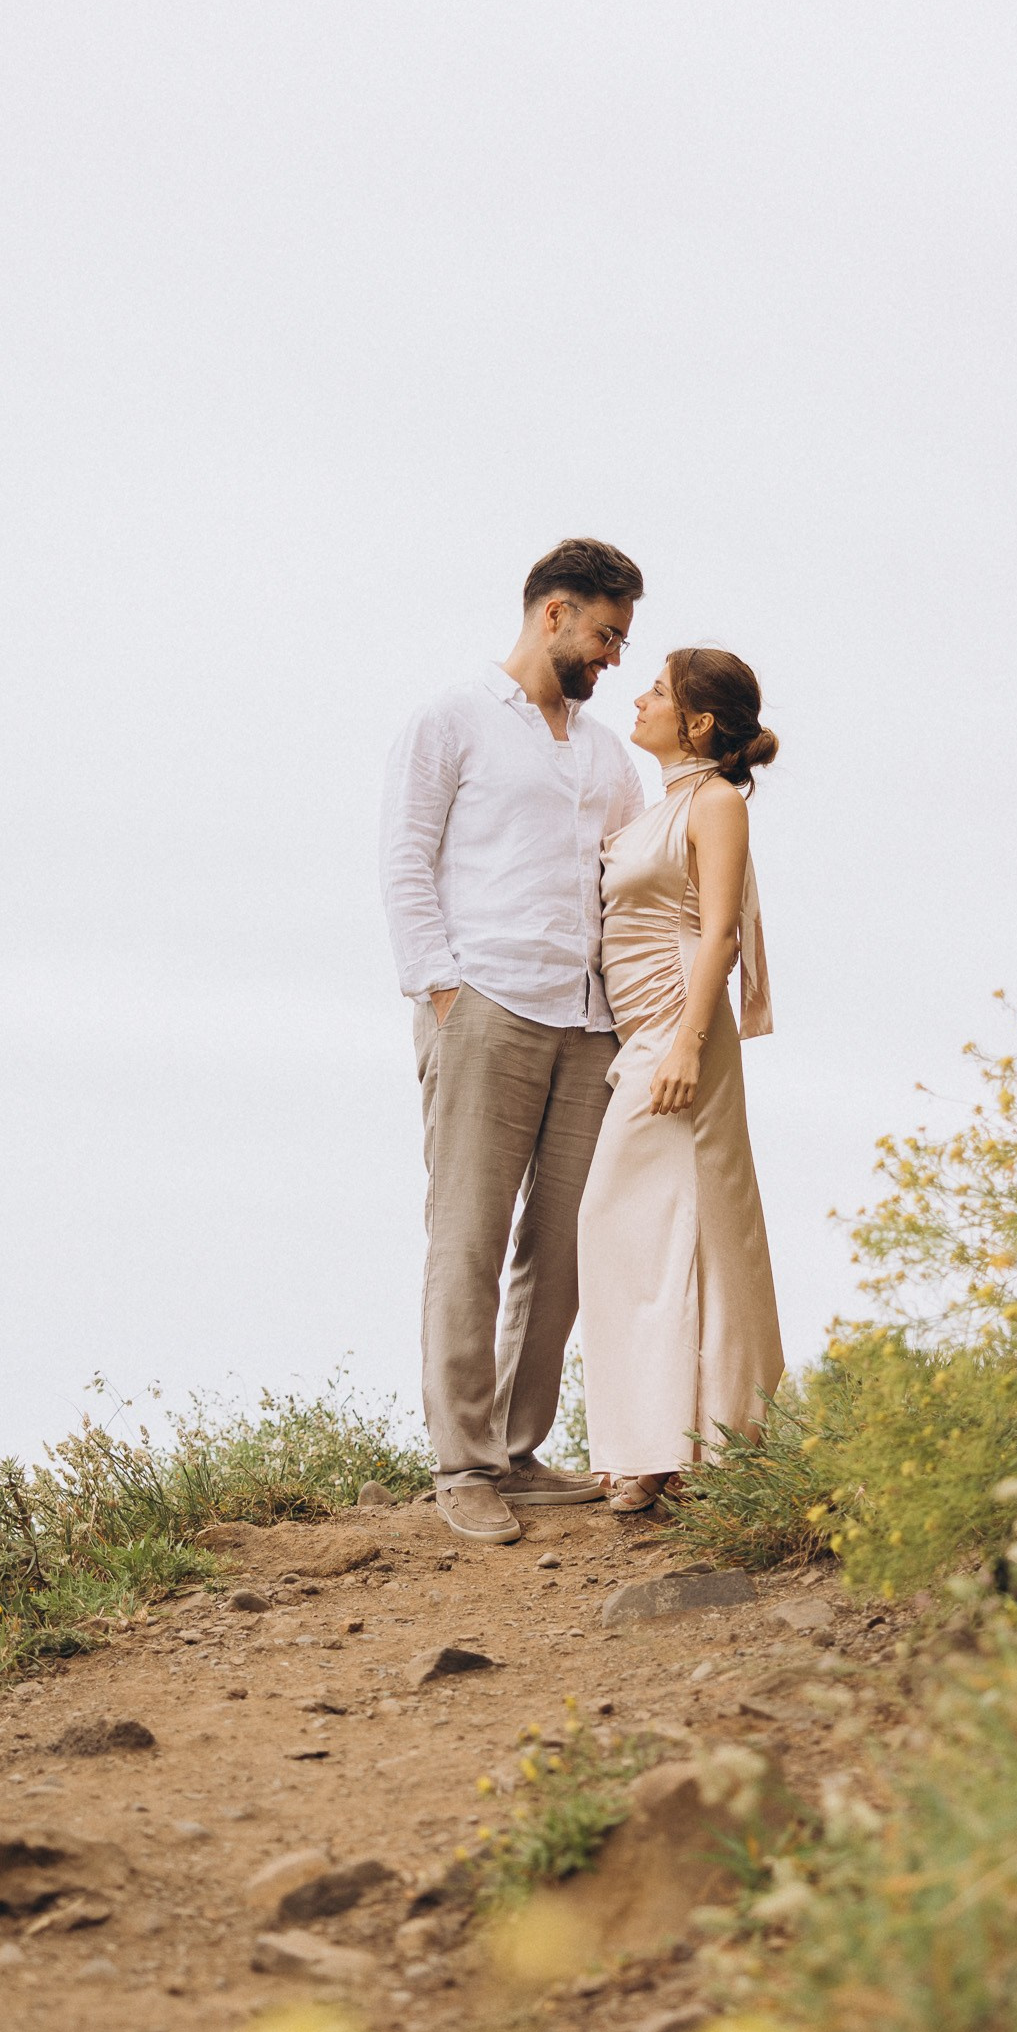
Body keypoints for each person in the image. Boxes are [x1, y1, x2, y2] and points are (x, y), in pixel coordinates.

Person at [380, 539, 647, 1543]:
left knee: (566, 1243)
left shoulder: (605, 753)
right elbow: (404, 858)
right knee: (469, 1236)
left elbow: (627, 878)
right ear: (554, 615)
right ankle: (461, 1463)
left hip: (589, 1022)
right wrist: (439, 989)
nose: (615, 656)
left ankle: (519, 1450)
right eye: (606, 634)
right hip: (484, 1005)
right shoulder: (449, 720)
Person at [577, 648, 784, 1513]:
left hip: (677, 1030)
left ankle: (679, 1446)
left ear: (698, 724)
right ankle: (679, 1444)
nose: (640, 698)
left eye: (657, 691)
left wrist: (691, 1045)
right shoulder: (660, 804)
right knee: (656, 1232)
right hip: (643, 1033)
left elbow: (720, 935)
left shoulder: (714, 803)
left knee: (636, 1222)